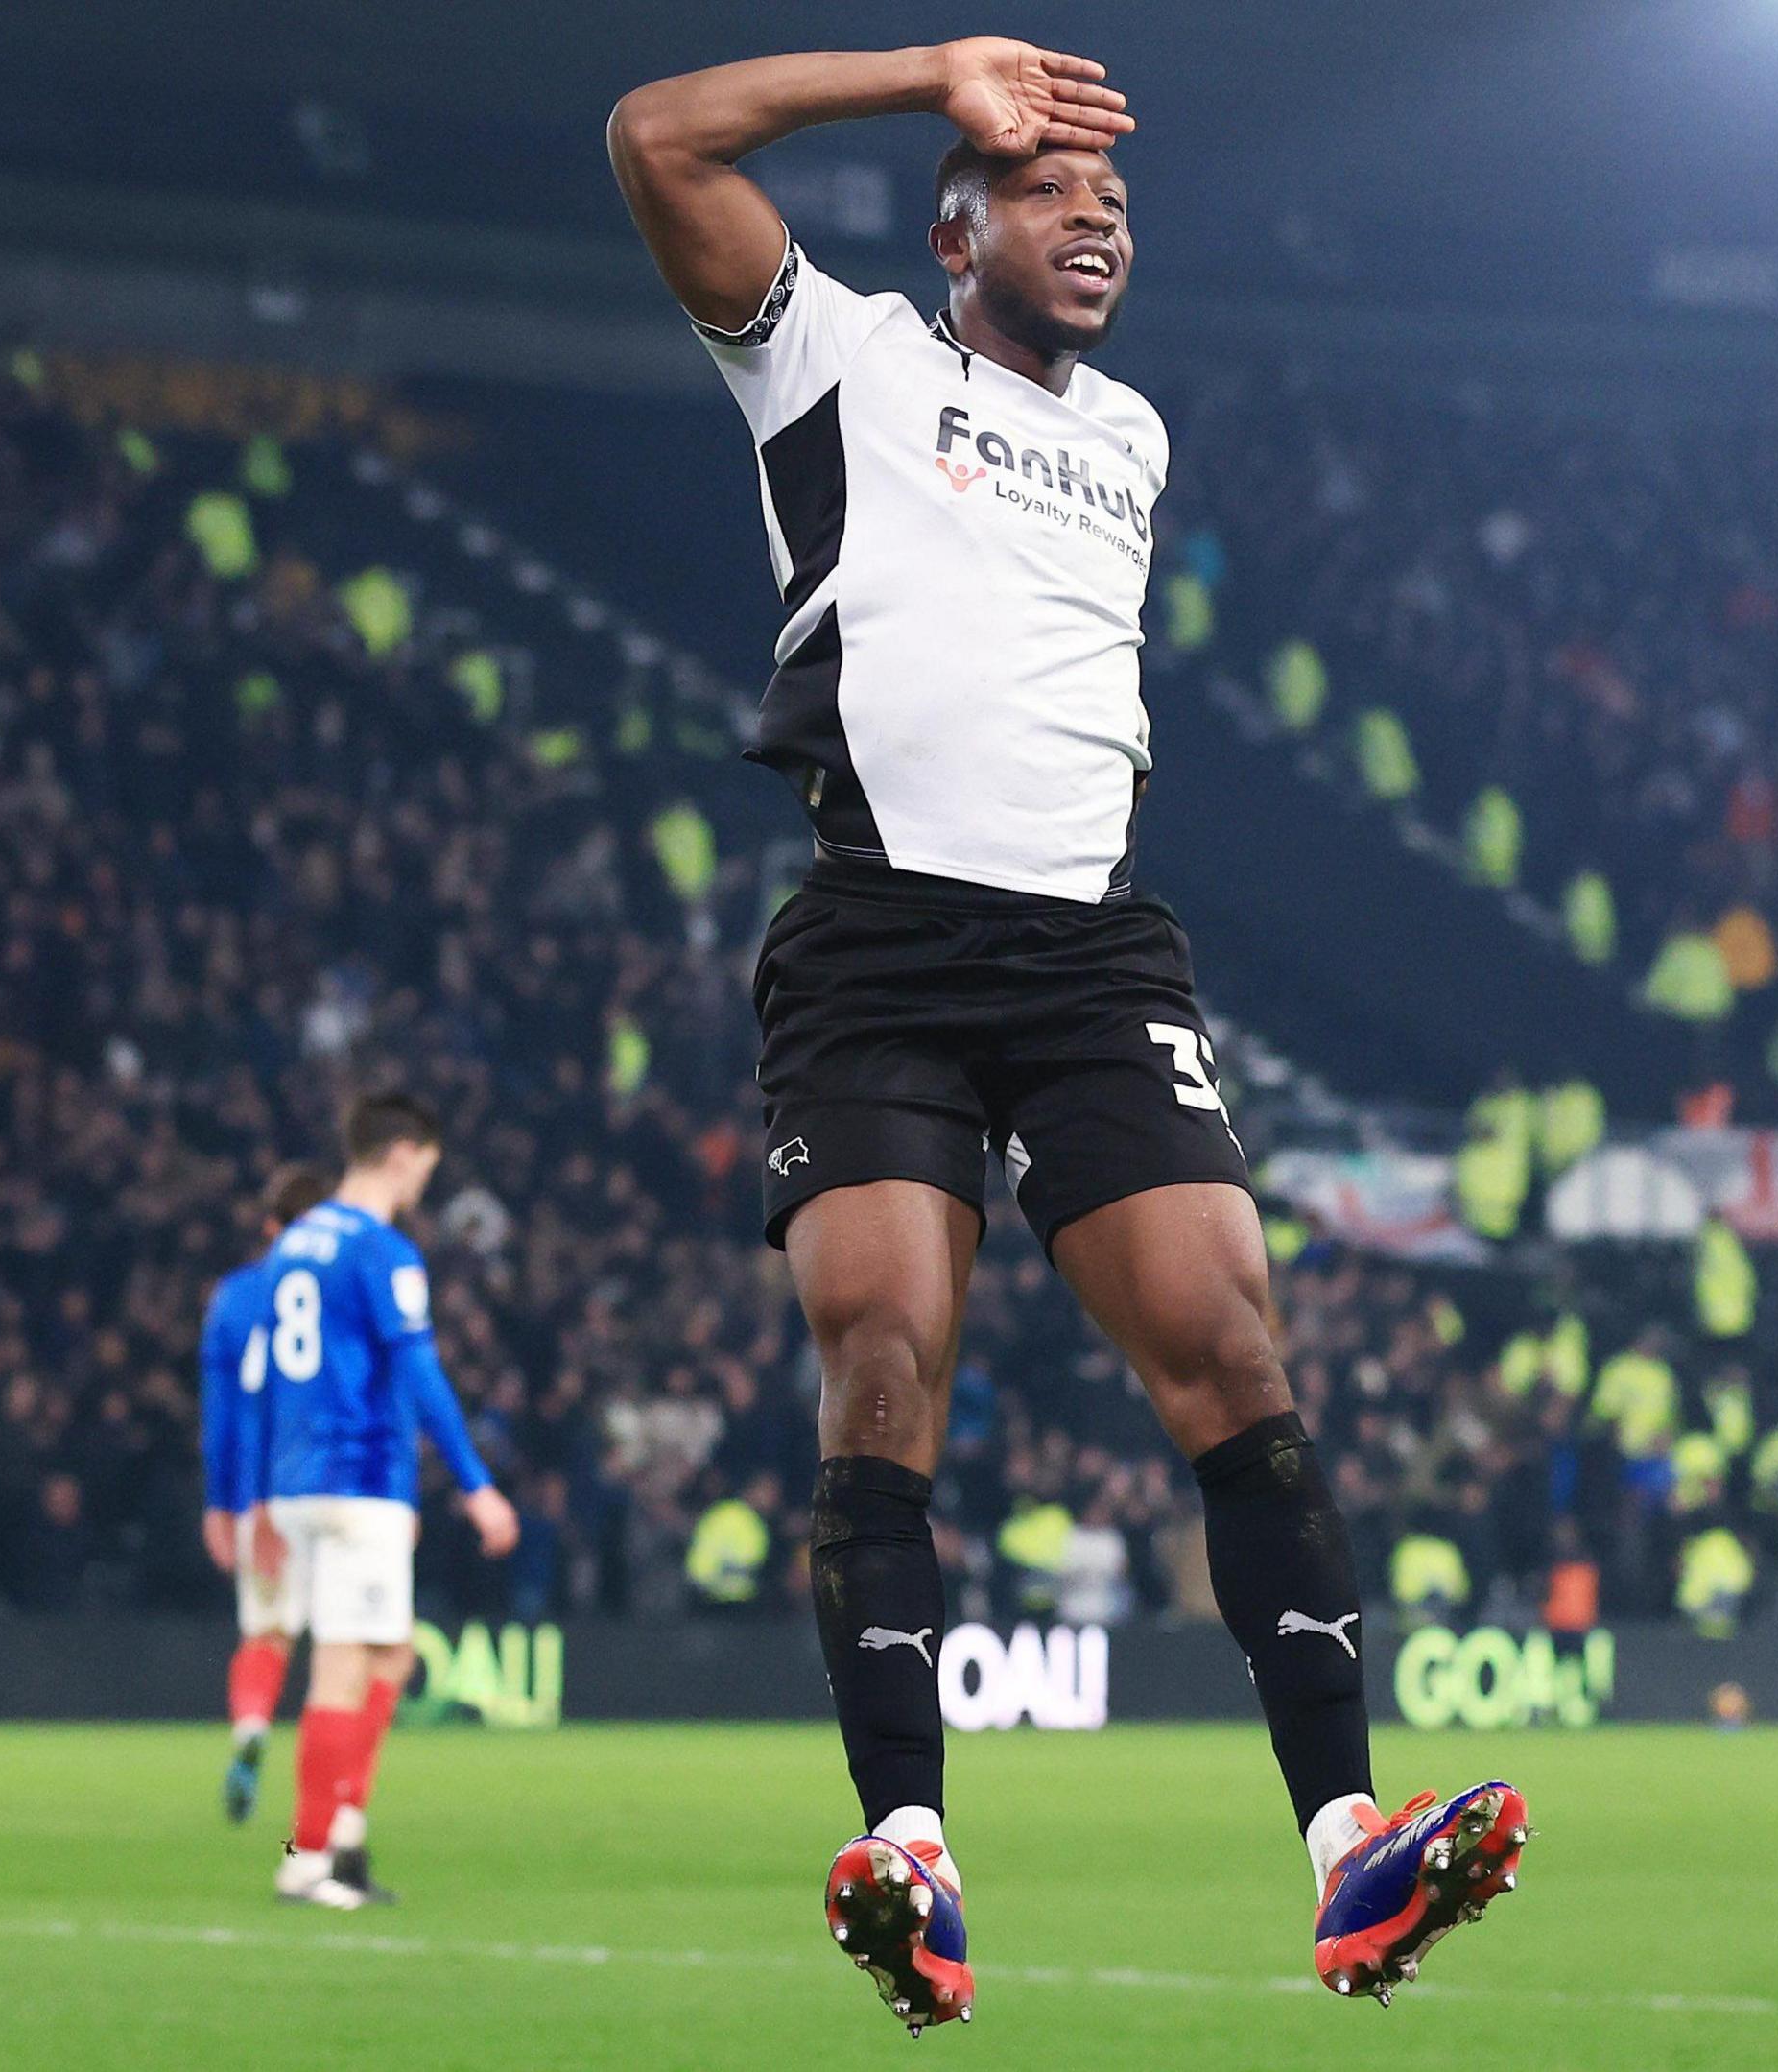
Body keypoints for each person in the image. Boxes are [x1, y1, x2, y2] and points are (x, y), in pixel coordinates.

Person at [607, 38, 1523, 2029]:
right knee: (886, 1359)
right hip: (878, 940)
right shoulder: (830, 358)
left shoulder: (1134, 436)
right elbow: (653, 135)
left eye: (1116, 203)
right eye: (1048, 189)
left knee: (1231, 1342)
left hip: (1092, 951)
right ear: (955, 229)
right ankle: (913, 1855)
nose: (1097, 215)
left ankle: (1349, 1843)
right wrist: (935, 71)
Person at [253, 1096, 520, 1909]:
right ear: (402, 1153)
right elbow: (419, 1371)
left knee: (392, 1656)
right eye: (426, 1169)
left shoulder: (293, 1243)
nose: (422, 1187)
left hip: (301, 1476)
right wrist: (476, 1484)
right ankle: (307, 1855)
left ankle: (344, 1831)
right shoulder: (383, 1249)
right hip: (356, 1480)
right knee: (344, 1665)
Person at [198, 1162, 334, 1826]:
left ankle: (252, 1730)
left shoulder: (235, 1297)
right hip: (344, 1491)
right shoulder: (343, 1289)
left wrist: (228, 1504)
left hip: (266, 1495)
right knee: (349, 1657)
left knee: (267, 1635)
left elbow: (227, 1413)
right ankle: (321, 1822)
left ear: (269, 1226)